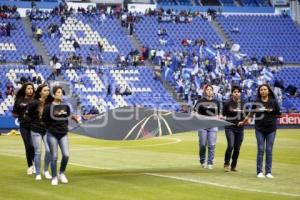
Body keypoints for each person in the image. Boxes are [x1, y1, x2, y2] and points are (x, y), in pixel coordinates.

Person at [240, 84, 281, 178]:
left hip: (271, 129)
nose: (263, 91)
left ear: (268, 91)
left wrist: (270, 111)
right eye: (261, 90)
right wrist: (243, 121)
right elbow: (250, 114)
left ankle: (268, 172)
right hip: (259, 129)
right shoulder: (256, 102)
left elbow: (279, 114)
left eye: (264, 89)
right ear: (259, 92)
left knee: (269, 150)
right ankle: (259, 171)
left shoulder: (274, 102)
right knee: (261, 149)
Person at [42, 86, 72, 185]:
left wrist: (65, 128)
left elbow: (66, 119)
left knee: (66, 155)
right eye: (59, 92)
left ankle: (61, 173)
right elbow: (44, 121)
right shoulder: (48, 107)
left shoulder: (66, 106)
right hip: (52, 134)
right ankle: (54, 177)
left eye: (61, 92)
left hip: (63, 134)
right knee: (54, 156)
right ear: (54, 94)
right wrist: (51, 128)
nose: (61, 94)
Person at [26, 84, 52, 181]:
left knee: (49, 150)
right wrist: (34, 121)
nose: (47, 92)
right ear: (40, 92)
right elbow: (26, 115)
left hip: (47, 130)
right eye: (45, 90)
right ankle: (38, 173)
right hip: (36, 130)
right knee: (38, 152)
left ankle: (45, 171)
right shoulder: (34, 103)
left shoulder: (50, 103)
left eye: (48, 90)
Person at [194, 85, 220, 169]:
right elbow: (194, 112)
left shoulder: (216, 102)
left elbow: (219, 114)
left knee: (212, 145)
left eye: (210, 90)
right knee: (202, 144)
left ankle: (210, 162)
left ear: (213, 91)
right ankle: (202, 161)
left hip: (213, 126)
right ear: (205, 91)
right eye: (207, 90)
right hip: (202, 125)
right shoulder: (200, 101)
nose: (209, 91)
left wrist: (218, 117)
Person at [12, 82, 35, 175]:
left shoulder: (36, 100)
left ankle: (35, 164)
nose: (30, 90)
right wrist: (22, 115)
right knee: (28, 145)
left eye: (31, 88)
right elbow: (14, 114)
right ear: (24, 90)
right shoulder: (19, 100)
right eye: (28, 88)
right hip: (24, 126)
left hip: (34, 126)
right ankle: (30, 166)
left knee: (34, 146)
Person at [223, 85, 245, 172]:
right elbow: (223, 114)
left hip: (240, 129)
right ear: (232, 93)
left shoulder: (243, 103)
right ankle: (226, 164)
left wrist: (244, 121)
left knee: (237, 148)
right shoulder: (228, 103)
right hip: (229, 127)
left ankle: (233, 165)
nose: (236, 93)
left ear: (240, 93)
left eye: (238, 92)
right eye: (234, 92)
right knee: (231, 145)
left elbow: (247, 116)